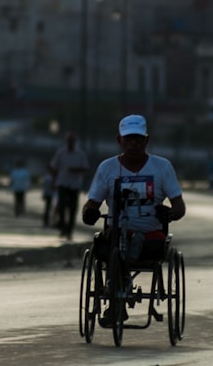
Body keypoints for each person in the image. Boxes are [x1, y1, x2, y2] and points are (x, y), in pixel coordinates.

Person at [81, 114, 185, 326]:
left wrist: (170, 214)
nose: (134, 144)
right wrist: (89, 213)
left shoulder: (162, 167)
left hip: (151, 235)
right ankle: (115, 297)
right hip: (117, 231)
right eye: (129, 139)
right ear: (119, 140)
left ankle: (125, 265)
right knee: (112, 243)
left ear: (146, 140)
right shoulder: (107, 168)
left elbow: (179, 206)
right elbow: (92, 203)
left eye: (138, 139)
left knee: (135, 245)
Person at [48, 132, 89, 240]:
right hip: (62, 182)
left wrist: (77, 169)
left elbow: (85, 168)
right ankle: (62, 227)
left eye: (72, 141)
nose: (70, 143)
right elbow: (53, 167)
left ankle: (69, 230)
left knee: (72, 208)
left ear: (74, 142)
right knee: (61, 206)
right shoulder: (61, 153)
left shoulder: (80, 154)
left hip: (74, 185)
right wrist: (53, 180)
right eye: (68, 141)